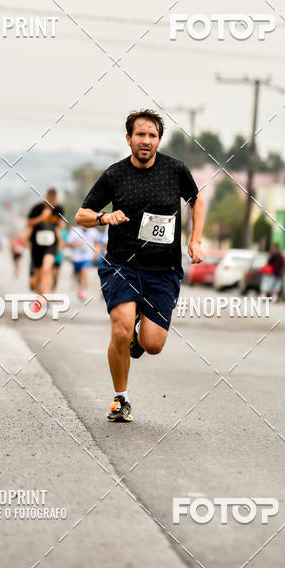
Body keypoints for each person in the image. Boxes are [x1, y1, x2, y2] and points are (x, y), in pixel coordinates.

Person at [75, 109, 205, 423]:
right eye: (140, 135)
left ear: (159, 140)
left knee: (153, 344)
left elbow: (196, 201)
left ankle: (138, 336)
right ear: (129, 139)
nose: (145, 141)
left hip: (163, 269)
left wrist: (195, 239)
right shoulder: (115, 175)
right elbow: (82, 214)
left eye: (152, 136)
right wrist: (105, 217)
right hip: (121, 264)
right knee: (120, 330)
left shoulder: (175, 170)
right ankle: (121, 398)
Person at [27, 189, 65, 296]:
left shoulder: (58, 209)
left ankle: (46, 295)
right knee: (38, 274)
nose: (53, 202)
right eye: (51, 199)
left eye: (55, 200)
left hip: (51, 243)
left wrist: (61, 225)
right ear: (46, 197)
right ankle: (38, 295)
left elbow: (61, 225)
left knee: (47, 267)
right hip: (37, 244)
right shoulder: (37, 208)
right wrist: (42, 217)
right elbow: (29, 223)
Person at [68, 223, 103, 300]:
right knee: (78, 275)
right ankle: (80, 287)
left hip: (87, 256)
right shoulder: (75, 231)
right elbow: (68, 243)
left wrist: (97, 249)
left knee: (84, 271)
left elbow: (99, 242)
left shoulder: (93, 231)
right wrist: (75, 243)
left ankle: (83, 290)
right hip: (76, 257)